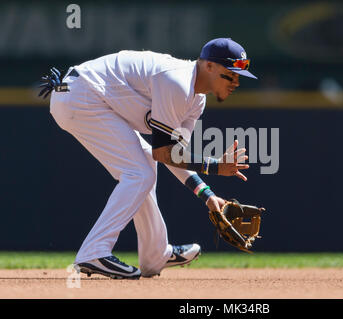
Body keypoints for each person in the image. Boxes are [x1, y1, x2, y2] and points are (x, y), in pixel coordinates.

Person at [39, 38, 258, 279]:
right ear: (208, 66)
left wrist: (207, 195)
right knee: (139, 173)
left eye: (239, 77)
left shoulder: (196, 100)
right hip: (81, 96)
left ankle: (155, 256)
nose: (236, 82)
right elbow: (164, 151)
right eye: (230, 75)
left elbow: (173, 156)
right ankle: (94, 252)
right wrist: (215, 166)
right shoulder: (177, 82)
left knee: (145, 166)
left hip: (88, 98)